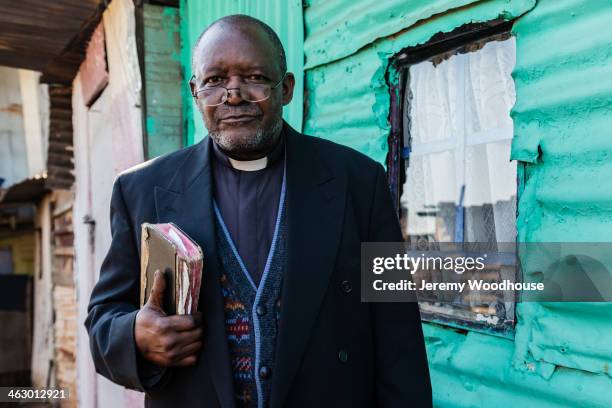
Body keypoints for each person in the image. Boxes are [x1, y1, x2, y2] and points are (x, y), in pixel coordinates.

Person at [85, 14, 431, 408]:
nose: (233, 95)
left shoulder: (358, 182)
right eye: (215, 80)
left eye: (253, 77)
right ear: (195, 92)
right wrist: (135, 335)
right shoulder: (141, 190)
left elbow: (397, 330)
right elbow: (103, 320)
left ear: (285, 89)